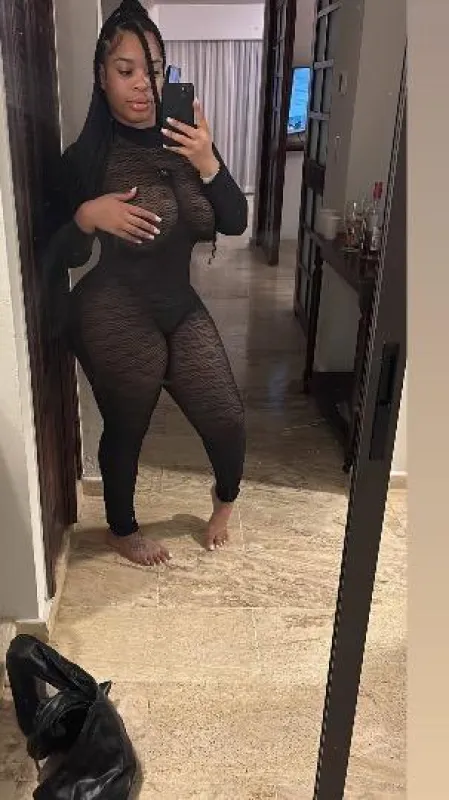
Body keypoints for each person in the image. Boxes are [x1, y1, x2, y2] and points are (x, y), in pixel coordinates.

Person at [45, 0, 248, 567]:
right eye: (126, 69)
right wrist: (88, 216)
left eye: (153, 69)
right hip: (114, 307)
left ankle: (225, 500)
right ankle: (121, 529)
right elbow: (58, 251)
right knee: (128, 422)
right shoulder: (85, 158)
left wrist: (208, 161)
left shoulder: (187, 140)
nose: (142, 84)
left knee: (226, 416)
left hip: (178, 303)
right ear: (101, 76)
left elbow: (234, 221)